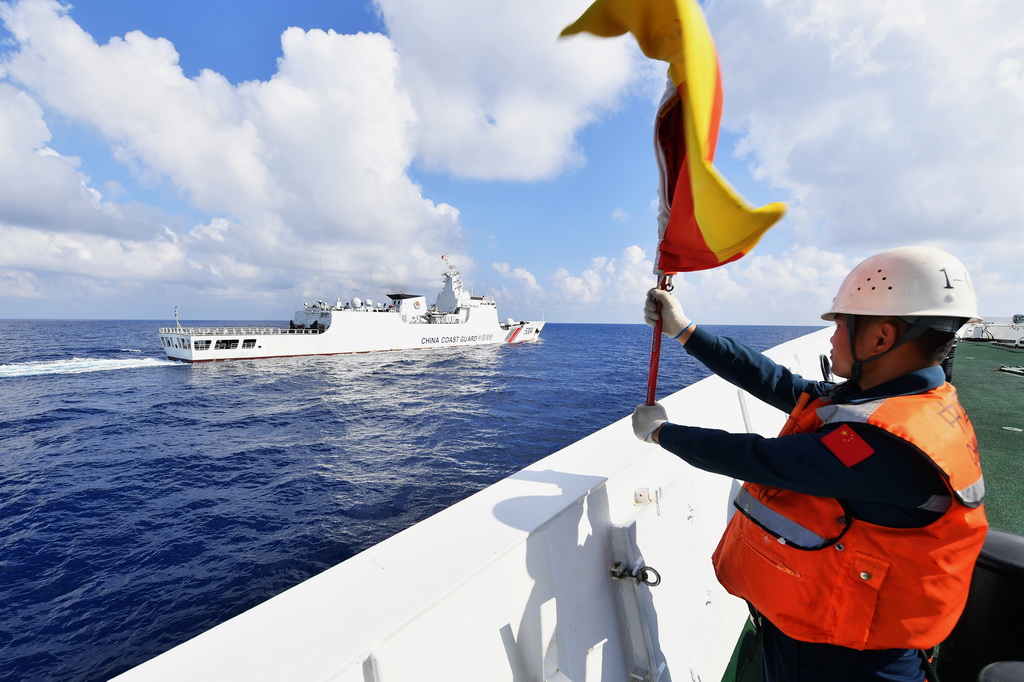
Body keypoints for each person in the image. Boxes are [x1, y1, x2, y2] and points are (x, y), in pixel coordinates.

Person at [631, 246, 988, 682]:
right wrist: (685, 331)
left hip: (851, 660)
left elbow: (762, 459)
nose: (832, 336)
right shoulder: (899, 401)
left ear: (881, 338)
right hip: (828, 625)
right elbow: (780, 383)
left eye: (841, 323)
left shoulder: (890, 444)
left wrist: (662, 433)